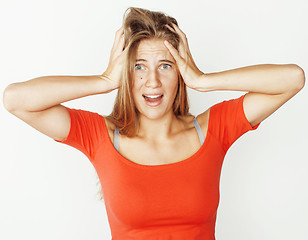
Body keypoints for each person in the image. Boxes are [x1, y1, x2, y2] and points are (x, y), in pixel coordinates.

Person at [3, 6, 305, 240]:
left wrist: (202, 80)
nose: (153, 81)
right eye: (138, 67)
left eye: (165, 65)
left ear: (180, 73)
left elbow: (293, 79)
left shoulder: (213, 129)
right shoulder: (99, 136)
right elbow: (15, 99)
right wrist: (105, 79)